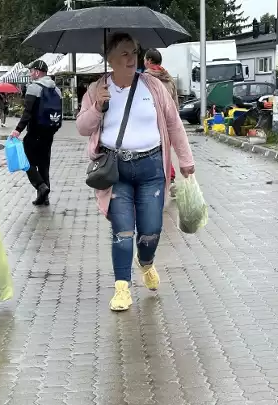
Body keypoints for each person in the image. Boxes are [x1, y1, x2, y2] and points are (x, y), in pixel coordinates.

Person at [76, 33, 195, 312]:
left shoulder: (152, 86)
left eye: (134, 52)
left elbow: (174, 124)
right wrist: (97, 107)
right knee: (123, 231)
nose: (132, 59)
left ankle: (146, 261)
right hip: (116, 171)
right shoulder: (97, 89)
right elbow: (82, 127)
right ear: (111, 59)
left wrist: (185, 161)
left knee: (151, 229)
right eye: (125, 54)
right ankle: (122, 288)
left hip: (152, 168)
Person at [10, 60, 63, 206]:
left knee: (27, 162)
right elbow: (60, 113)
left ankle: (40, 186)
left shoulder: (34, 88)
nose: (30, 73)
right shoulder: (56, 89)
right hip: (49, 131)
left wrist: (17, 130)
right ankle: (43, 197)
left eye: (31, 70)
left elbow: (27, 113)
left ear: (37, 72)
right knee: (44, 163)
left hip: (34, 132)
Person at [144, 48, 179, 196]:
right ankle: (170, 181)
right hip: (168, 122)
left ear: (150, 61)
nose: (144, 62)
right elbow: (175, 104)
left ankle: (156, 184)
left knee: (151, 154)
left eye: (145, 59)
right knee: (165, 152)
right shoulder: (169, 79)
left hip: (151, 123)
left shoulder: (145, 78)